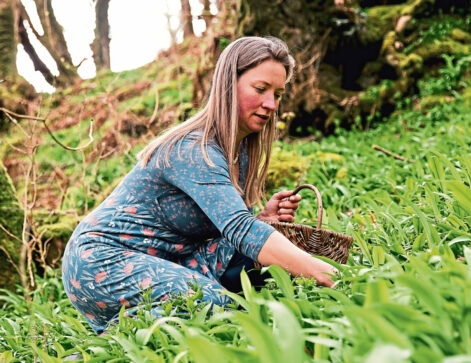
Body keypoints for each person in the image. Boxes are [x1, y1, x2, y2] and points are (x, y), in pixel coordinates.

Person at [62, 36, 338, 334]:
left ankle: (146, 317)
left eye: (278, 94)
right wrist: (325, 272)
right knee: (217, 307)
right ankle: (113, 337)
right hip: (102, 261)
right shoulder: (194, 150)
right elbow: (241, 230)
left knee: (261, 275)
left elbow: (235, 226)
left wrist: (263, 220)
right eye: (260, 89)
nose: (271, 104)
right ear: (228, 85)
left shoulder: (239, 151)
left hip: (171, 257)